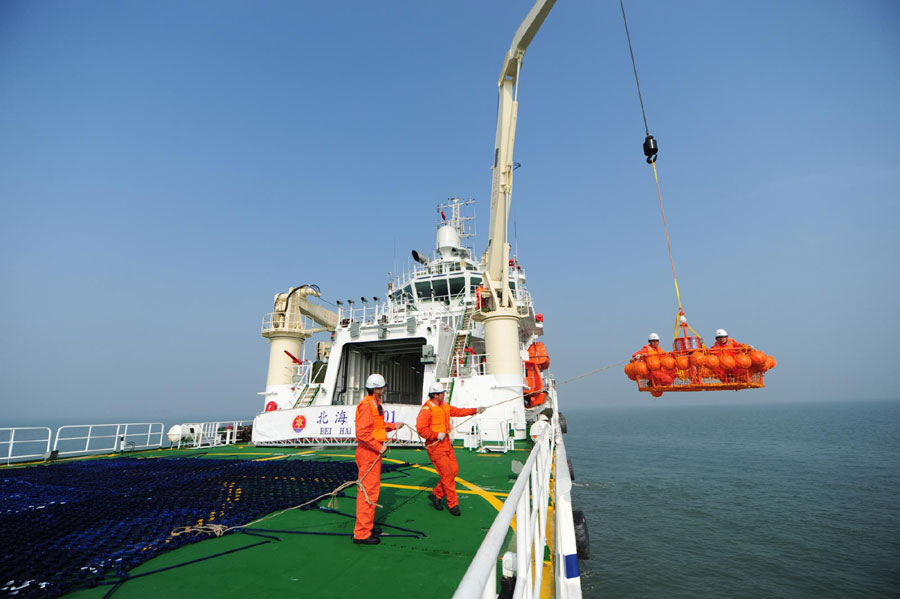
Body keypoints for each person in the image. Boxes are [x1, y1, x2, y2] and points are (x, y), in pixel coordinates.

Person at [416, 382, 486, 516]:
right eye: (442, 393)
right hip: (435, 446)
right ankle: (453, 504)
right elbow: (421, 429)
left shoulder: (444, 406)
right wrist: (436, 435)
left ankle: (436, 495)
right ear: (436, 395)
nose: (444, 395)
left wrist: (475, 410)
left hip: (446, 444)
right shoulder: (426, 410)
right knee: (447, 475)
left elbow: (459, 411)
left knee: (454, 470)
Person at [353, 373, 406, 545]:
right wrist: (378, 446)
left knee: (372, 491)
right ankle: (361, 533)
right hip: (369, 453)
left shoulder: (375, 404)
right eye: (383, 387)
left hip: (373, 453)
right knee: (368, 493)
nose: (385, 390)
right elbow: (362, 434)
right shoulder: (367, 406)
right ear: (376, 389)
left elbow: (376, 427)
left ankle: (367, 525)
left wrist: (392, 426)